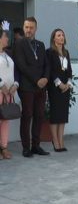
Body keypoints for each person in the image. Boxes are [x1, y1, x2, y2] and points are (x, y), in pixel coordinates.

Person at [13, 17, 50, 158]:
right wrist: (37, 80)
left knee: (39, 116)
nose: (28, 30)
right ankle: (26, 148)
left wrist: (45, 78)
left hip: (41, 88)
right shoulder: (19, 44)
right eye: (26, 27)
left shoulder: (40, 45)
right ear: (23, 28)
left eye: (31, 27)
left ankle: (36, 146)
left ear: (36, 29)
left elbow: (47, 65)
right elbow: (21, 65)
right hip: (27, 87)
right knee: (27, 115)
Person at [46, 29, 73, 152]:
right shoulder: (50, 52)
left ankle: (61, 140)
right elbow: (50, 71)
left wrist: (68, 83)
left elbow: (69, 71)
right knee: (55, 115)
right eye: (58, 35)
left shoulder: (66, 52)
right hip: (55, 88)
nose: (61, 37)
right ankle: (55, 141)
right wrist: (59, 84)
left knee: (62, 115)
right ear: (54, 39)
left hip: (65, 88)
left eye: (62, 35)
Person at [0, 21, 19, 159]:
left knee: (5, 120)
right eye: (5, 36)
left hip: (9, 94)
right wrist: (2, 85)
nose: (7, 38)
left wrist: (15, 85)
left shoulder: (8, 54)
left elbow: (15, 72)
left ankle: (4, 147)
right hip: (0, 91)